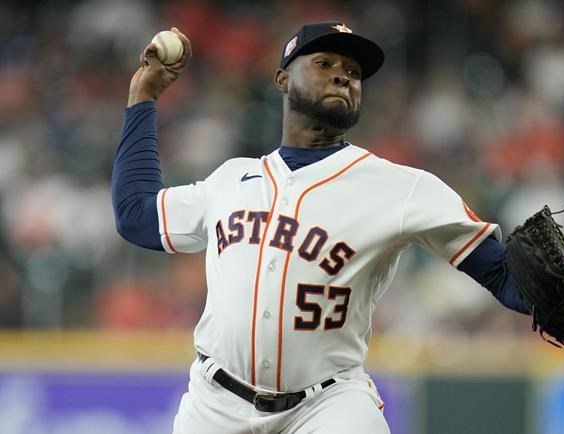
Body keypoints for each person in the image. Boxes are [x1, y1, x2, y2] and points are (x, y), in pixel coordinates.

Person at [112, 21, 531, 434]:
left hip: (328, 405)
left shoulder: (400, 187)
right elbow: (136, 216)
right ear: (282, 78)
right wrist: (143, 96)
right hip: (214, 404)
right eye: (324, 62)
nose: (341, 76)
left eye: (352, 72)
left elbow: (501, 274)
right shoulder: (230, 180)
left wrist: (555, 306)